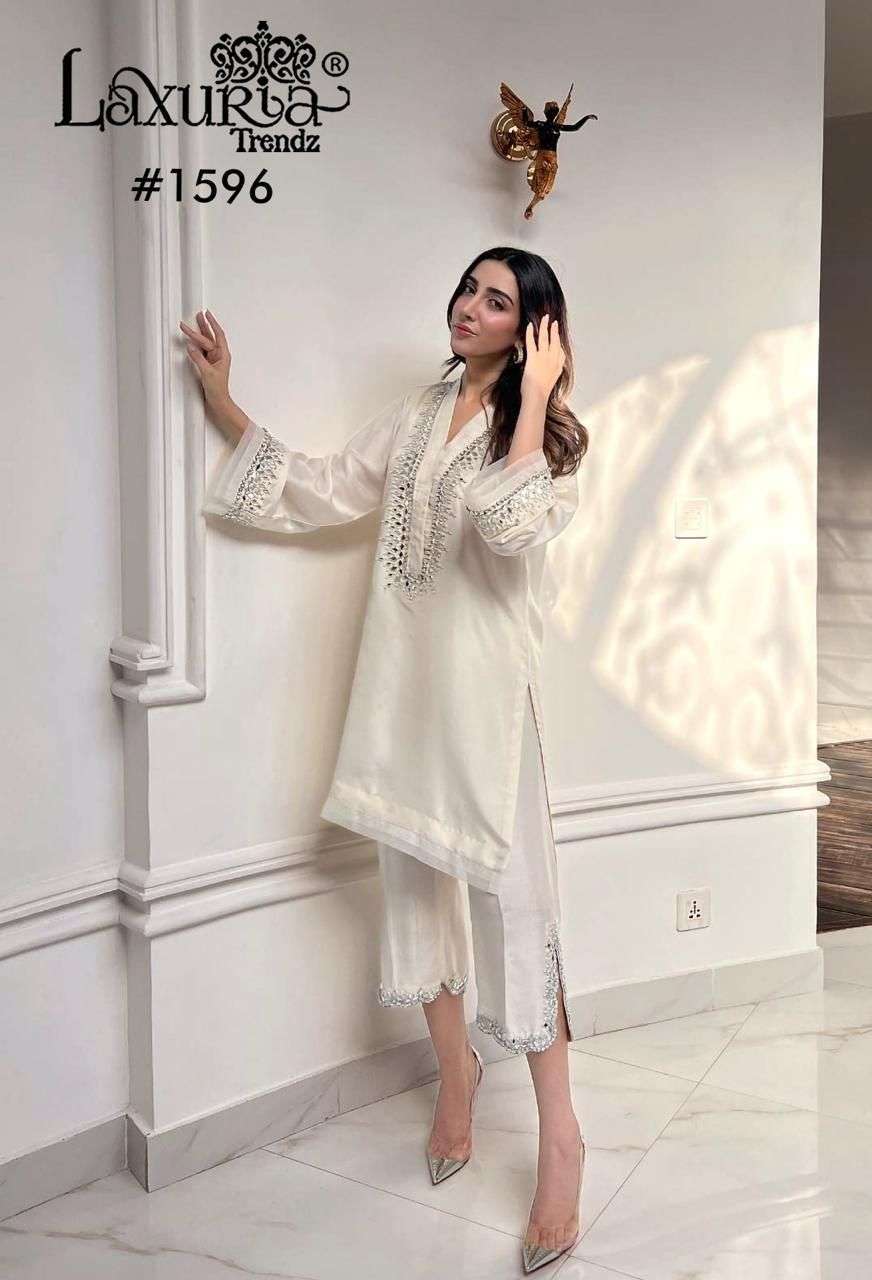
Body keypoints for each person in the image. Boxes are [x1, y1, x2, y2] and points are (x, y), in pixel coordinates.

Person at [182, 246, 589, 1274]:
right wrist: (225, 405)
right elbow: (325, 486)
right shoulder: (416, 416)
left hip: (487, 709)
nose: (468, 308)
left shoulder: (553, 441)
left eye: (497, 301)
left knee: (515, 910)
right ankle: (455, 1076)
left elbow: (507, 527)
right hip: (400, 696)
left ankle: (562, 1144)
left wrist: (536, 397)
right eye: (467, 289)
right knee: (412, 888)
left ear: (533, 329)